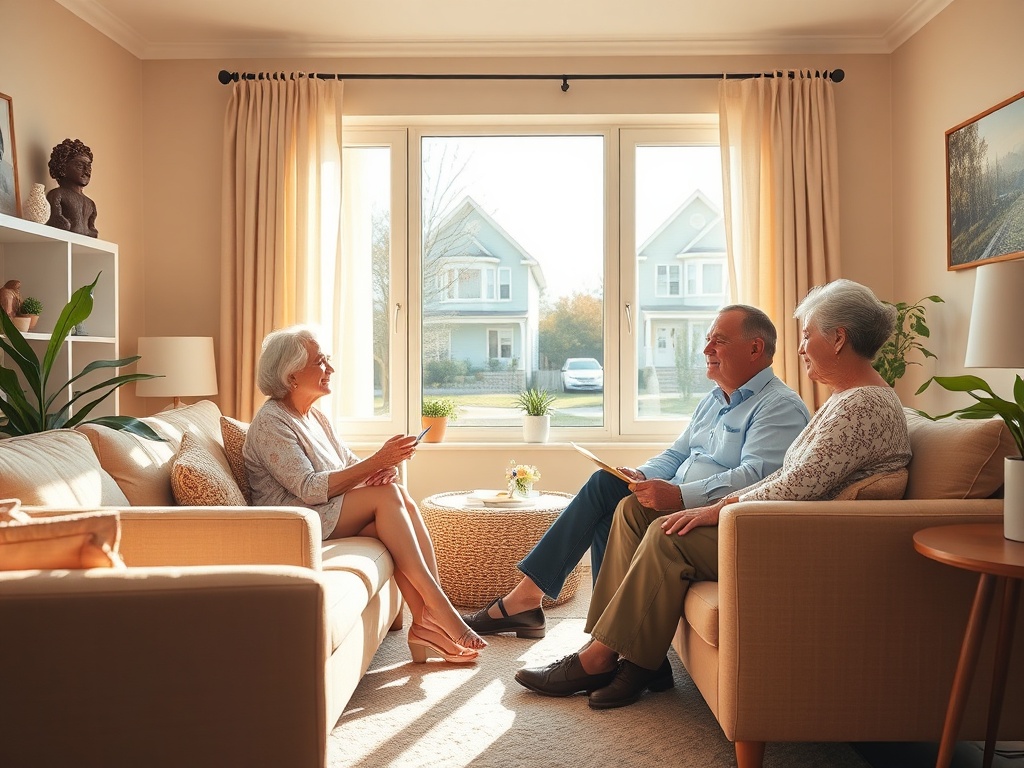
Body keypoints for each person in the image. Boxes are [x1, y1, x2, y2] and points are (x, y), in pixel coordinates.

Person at [514, 278, 912, 709]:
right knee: (628, 509)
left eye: (806, 335)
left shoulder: (862, 405)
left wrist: (712, 509)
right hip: (780, 521)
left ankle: (598, 659)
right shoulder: (846, 399)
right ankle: (619, 651)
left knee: (667, 535)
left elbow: (796, 484)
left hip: (795, 536)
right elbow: (794, 477)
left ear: (837, 339)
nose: (800, 348)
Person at [464, 305, 810, 638]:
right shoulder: (715, 399)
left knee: (608, 498)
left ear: (755, 348)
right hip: (678, 497)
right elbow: (677, 453)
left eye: (718, 340)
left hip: (708, 514)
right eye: (708, 339)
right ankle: (591, 633)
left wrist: (677, 494)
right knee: (609, 489)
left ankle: (528, 604)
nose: (706, 348)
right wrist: (641, 475)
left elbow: (757, 478)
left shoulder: (778, 405)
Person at [243, 325, 486, 664]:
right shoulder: (271, 422)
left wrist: (384, 468)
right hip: (293, 522)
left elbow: (351, 465)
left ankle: (425, 623)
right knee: (387, 498)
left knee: (391, 499)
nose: (330, 368)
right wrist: (376, 462)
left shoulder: (315, 418)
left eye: (327, 360)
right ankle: (440, 608)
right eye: (321, 362)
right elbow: (310, 489)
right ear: (291, 374)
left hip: (323, 512)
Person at [45, 138, 98, 238]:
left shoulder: (91, 203)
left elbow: (92, 228)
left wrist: (91, 231)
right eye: (79, 166)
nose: (87, 171)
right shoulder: (57, 194)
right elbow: (56, 218)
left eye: (89, 167)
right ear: (62, 168)